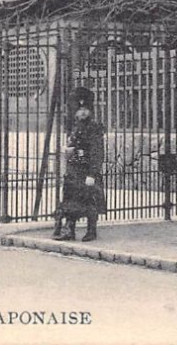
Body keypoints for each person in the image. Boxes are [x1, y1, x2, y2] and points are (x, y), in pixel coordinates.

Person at [52, 86, 106, 242]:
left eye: (86, 109)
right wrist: (68, 150)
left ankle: (91, 231)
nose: (82, 112)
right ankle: (69, 230)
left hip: (86, 170)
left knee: (90, 202)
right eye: (79, 109)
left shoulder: (94, 128)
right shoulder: (75, 127)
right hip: (74, 170)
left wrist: (92, 174)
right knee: (71, 201)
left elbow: (97, 152)